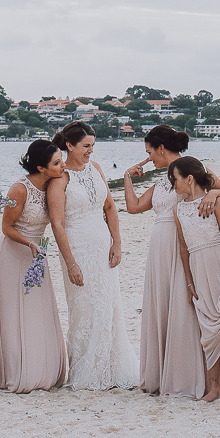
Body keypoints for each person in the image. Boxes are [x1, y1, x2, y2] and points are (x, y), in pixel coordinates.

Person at [122, 125, 220, 394]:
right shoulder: (164, 180)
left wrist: (213, 193)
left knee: (185, 308)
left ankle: (188, 376)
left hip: (183, 243)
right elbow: (134, 206)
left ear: (162, 148)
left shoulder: (192, 170)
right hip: (159, 246)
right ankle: (161, 375)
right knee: (162, 305)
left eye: (149, 152)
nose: (149, 158)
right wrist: (128, 176)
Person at [50, 121, 140, 390]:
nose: (91, 151)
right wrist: (71, 264)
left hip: (103, 249)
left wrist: (117, 244)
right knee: (85, 309)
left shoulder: (96, 168)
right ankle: (86, 370)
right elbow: (57, 223)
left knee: (110, 306)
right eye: (86, 146)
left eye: (93, 145)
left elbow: (110, 206)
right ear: (69, 146)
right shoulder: (60, 178)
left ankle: (110, 369)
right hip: (77, 249)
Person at [0, 138, 69, 392]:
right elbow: (6, 227)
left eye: (61, 159)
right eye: (57, 163)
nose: (62, 165)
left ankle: (42, 368)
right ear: (42, 168)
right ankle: (16, 371)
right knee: (14, 312)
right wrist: (29, 244)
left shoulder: (54, 185)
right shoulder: (19, 189)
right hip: (13, 252)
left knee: (38, 310)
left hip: (37, 254)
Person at [167, 156, 220, 403]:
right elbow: (183, 248)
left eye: (175, 180)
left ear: (189, 179)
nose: (173, 186)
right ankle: (213, 387)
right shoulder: (178, 208)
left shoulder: (215, 202)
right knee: (207, 328)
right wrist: (189, 283)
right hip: (198, 269)